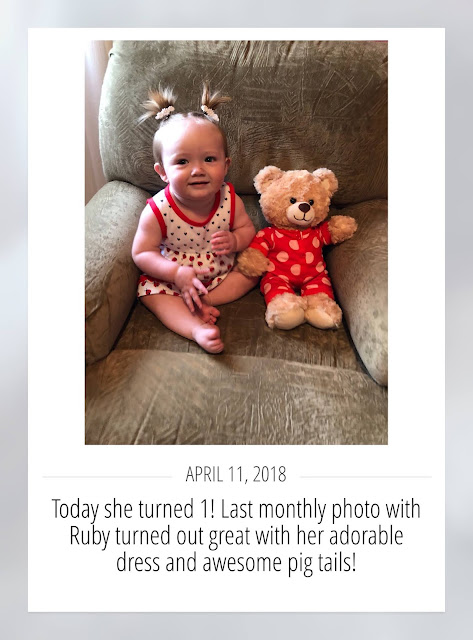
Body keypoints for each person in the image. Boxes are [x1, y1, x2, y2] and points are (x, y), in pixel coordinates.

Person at [132, 84, 258, 354]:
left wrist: (236, 240)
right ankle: (194, 328)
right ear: (162, 172)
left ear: (226, 165)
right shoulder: (157, 210)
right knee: (150, 294)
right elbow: (142, 253)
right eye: (182, 162)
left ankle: (204, 300)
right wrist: (175, 274)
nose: (197, 170)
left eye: (209, 159)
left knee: (251, 273)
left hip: (220, 273)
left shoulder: (229, 199)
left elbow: (248, 229)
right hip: (173, 280)